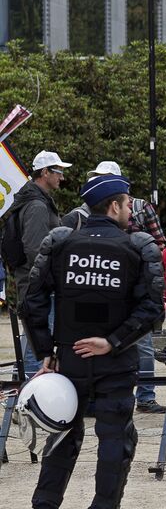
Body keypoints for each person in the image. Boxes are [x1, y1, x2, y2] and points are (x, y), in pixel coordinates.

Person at [14, 173, 164, 509]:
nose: (132, 209)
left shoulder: (62, 244)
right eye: (129, 203)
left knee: (61, 437)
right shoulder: (136, 247)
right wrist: (112, 341)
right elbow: (152, 310)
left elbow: (30, 303)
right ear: (114, 206)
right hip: (116, 361)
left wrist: (46, 352)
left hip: (69, 360)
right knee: (116, 439)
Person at [58, 161, 166, 414]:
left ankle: (146, 395)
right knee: (85, 347)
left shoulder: (139, 208)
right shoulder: (79, 214)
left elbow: (160, 242)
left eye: (104, 178)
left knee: (139, 344)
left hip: (130, 295)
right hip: (89, 295)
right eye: (96, 177)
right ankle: (88, 400)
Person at [6, 150, 70, 379]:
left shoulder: (33, 200)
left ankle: (24, 399)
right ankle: (32, 404)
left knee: (33, 344)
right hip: (38, 289)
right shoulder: (37, 206)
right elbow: (36, 250)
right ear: (45, 172)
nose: (62, 177)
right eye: (58, 171)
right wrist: (53, 281)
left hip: (33, 286)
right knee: (39, 348)